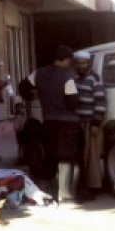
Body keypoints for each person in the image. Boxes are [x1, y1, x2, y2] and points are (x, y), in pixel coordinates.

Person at [24, 45, 80, 203]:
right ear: (66, 59)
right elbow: (72, 102)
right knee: (67, 159)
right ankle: (65, 195)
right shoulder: (67, 77)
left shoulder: (39, 73)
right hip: (68, 123)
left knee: (50, 157)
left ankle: (49, 193)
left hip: (48, 120)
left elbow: (23, 87)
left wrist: (34, 95)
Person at [72, 50, 106, 199]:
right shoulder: (74, 79)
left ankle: (95, 188)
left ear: (89, 64)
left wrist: (96, 123)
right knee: (82, 157)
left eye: (84, 63)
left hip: (91, 123)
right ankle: (85, 186)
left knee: (92, 157)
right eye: (78, 63)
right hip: (78, 123)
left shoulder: (94, 79)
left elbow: (101, 101)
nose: (81, 66)